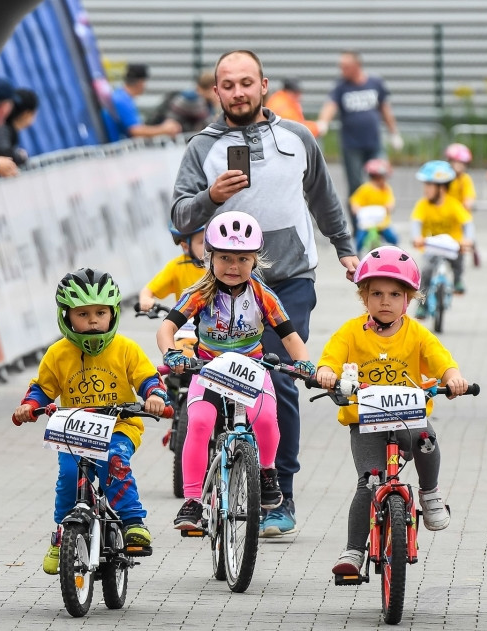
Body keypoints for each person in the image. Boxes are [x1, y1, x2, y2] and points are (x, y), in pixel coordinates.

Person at [170, 49, 359, 536]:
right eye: (228, 84)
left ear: (263, 85)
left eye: (246, 83)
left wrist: (344, 249)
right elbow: (179, 216)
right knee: (212, 384)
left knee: (278, 378)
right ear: (217, 91)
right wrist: (212, 197)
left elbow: (323, 197)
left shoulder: (297, 137)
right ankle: (210, 478)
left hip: (289, 277)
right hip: (224, 282)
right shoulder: (203, 147)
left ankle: (278, 494)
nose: (238, 92)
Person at [314, 246, 470, 575]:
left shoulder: (417, 334)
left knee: (426, 439)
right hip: (366, 422)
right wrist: (326, 373)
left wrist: (453, 378)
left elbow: (442, 362)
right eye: (377, 294)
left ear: (408, 299)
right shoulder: (350, 332)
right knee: (369, 482)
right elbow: (330, 359)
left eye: (395, 294)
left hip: (408, 418)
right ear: (364, 296)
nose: (386, 301)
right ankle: (353, 551)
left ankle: (430, 492)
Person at [157, 211, 315, 530]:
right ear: (210, 257)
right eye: (225, 258)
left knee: (267, 420)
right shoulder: (199, 293)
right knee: (199, 423)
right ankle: (192, 501)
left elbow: (290, 336)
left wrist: (304, 362)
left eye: (243, 259)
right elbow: (166, 328)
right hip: (209, 371)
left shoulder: (263, 295)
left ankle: (267, 473)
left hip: (251, 371)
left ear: (255, 260)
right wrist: (171, 352)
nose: (233, 266)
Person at [12, 268, 168, 574]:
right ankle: (61, 535)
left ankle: (133, 522)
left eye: (100, 313)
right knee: (69, 475)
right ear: (66, 316)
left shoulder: (125, 349)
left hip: (119, 426)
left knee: (114, 461)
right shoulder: (58, 353)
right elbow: (42, 388)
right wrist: (29, 406)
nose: (93, 321)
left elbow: (148, 378)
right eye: (83, 314)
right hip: (74, 431)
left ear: (113, 313)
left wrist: (155, 397)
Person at [316, 50, 403, 199]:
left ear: (357, 66)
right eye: (341, 66)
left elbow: (385, 109)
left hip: (374, 142)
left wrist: (394, 133)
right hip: (352, 145)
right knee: (356, 184)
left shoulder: (375, 83)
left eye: (346, 67)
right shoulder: (341, 86)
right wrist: (323, 122)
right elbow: (330, 105)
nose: (342, 70)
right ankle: (357, 213)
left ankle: (380, 211)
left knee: (380, 177)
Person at [411, 160, 474, 304]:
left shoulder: (453, 204)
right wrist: (416, 237)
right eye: (425, 185)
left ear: (442, 187)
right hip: (432, 246)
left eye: (429, 185)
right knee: (426, 271)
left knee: (458, 259)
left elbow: (467, 223)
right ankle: (422, 304)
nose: (425, 189)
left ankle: (458, 280)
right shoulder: (422, 205)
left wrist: (468, 239)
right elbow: (416, 222)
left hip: (452, 245)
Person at [137, 222, 206, 313]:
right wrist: (145, 299)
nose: (210, 245)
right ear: (185, 246)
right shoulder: (177, 267)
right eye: (203, 242)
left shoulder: (222, 262)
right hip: (189, 319)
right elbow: (149, 289)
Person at [103, 63, 182, 140]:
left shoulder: (120, 96)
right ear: (141, 82)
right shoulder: (122, 100)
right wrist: (164, 129)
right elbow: (135, 131)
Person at [350, 158, 398, 253]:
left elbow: (390, 202)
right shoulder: (365, 189)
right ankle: (356, 255)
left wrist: (389, 207)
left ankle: (395, 254)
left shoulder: (386, 189)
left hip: (382, 223)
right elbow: (355, 201)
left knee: (393, 238)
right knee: (359, 241)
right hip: (366, 224)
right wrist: (356, 209)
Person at [146, 71, 217, 134]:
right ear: (212, 88)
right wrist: (215, 103)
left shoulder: (195, 96)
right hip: (172, 136)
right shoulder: (193, 99)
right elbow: (210, 124)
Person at [0, 88, 39, 166]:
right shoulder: (3, 128)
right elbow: (3, 152)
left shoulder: (6, 128)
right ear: (27, 113)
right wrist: (20, 156)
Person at [445, 143, 476, 212]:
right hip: (446, 213)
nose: (459, 165)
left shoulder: (465, 179)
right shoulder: (445, 178)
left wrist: (468, 203)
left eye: (462, 163)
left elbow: (469, 196)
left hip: (461, 214)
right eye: (456, 162)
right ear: (450, 161)